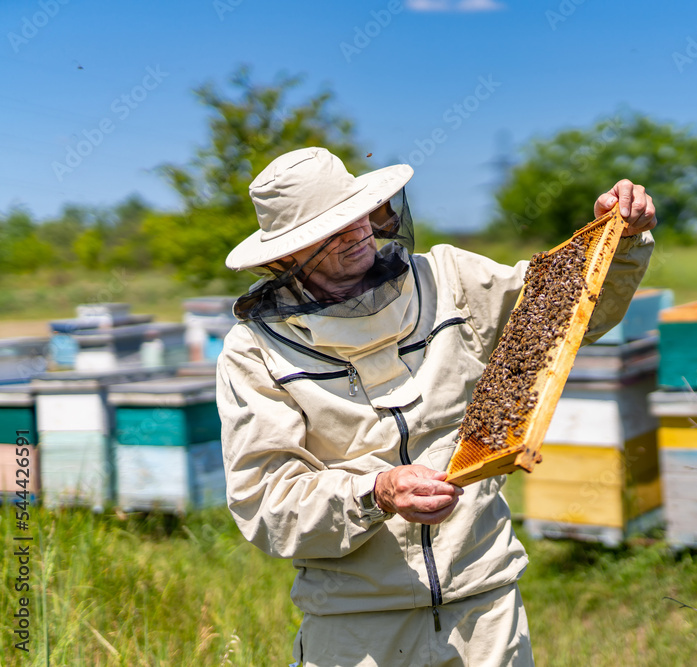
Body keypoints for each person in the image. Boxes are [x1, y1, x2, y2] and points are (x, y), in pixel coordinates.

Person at [216, 146, 656, 666]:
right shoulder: (255, 353)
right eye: (331, 231)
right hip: (357, 627)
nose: (357, 234)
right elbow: (265, 503)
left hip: (485, 605)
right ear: (287, 254)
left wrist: (621, 238)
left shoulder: (451, 281)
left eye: (357, 217)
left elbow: (565, 313)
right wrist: (375, 492)